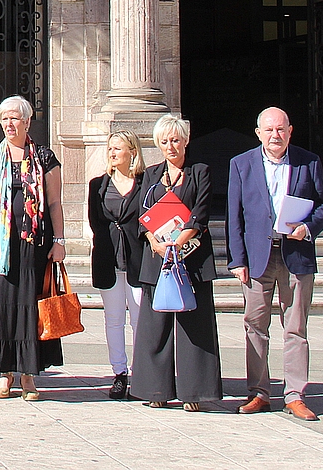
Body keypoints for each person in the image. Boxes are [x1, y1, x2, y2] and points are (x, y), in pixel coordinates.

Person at [229, 106, 323, 421]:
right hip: (258, 258)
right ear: (259, 133)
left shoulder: (308, 161)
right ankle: (258, 393)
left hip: (296, 255)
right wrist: (237, 260)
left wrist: (309, 228)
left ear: (290, 131)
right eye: (269, 130)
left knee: (296, 327)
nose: (275, 135)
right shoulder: (241, 165)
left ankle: (295, 395)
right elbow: (235, 217)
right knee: (255, 326)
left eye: (281, 129)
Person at [0, 96, 65, 400]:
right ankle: (4, 375)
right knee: (1, 308)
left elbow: (54, 203)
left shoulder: (45, 159)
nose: (10, 124)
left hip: (34, 248)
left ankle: (28, 377)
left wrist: (60, 241)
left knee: (30, 310)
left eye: (15, 118)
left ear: (27, 122)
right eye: (5, 119)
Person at [130, 114, 222, 412]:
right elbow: (143, 215)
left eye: (176, 140)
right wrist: (156, 242)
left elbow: (202, 210)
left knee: (193, 324)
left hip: (191, 258)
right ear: (158, 143)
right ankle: (155, 388)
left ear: (186, 141)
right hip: (158, 258)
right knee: (155, 326)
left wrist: (179, 241)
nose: (171, 146)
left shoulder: (200, 171)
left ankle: (194, 391)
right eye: (165, 141)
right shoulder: (151, 174)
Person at [88, 130, 146, 400]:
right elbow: (95, 222)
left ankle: (142, 373)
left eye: (118, 148)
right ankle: (119, 373)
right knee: (113, 320)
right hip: (108, 259)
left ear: (132, 152)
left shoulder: (145, 183)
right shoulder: (97, 185)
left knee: (139, 319)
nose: (112, 153)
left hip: (137, 259)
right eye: (110, 148)